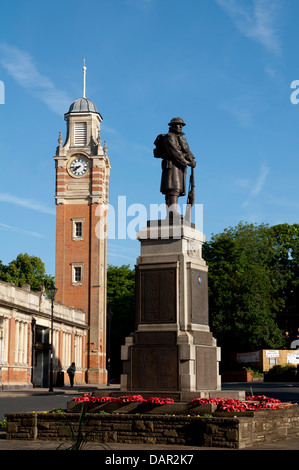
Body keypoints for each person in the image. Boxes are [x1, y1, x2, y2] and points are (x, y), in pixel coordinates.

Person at [154, 117, 196, 217]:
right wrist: (186, 162)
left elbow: (187, 151)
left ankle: (171, 213)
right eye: (178, 124)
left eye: (181, 125)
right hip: (172, 165)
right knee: (173, 188)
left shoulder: (181, 138)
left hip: (179, 166)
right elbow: (175, 152)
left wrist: (191, 159)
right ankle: (172, 212)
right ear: (172, 126)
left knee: (176, 189)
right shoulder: (170, 137)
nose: (180, 126)